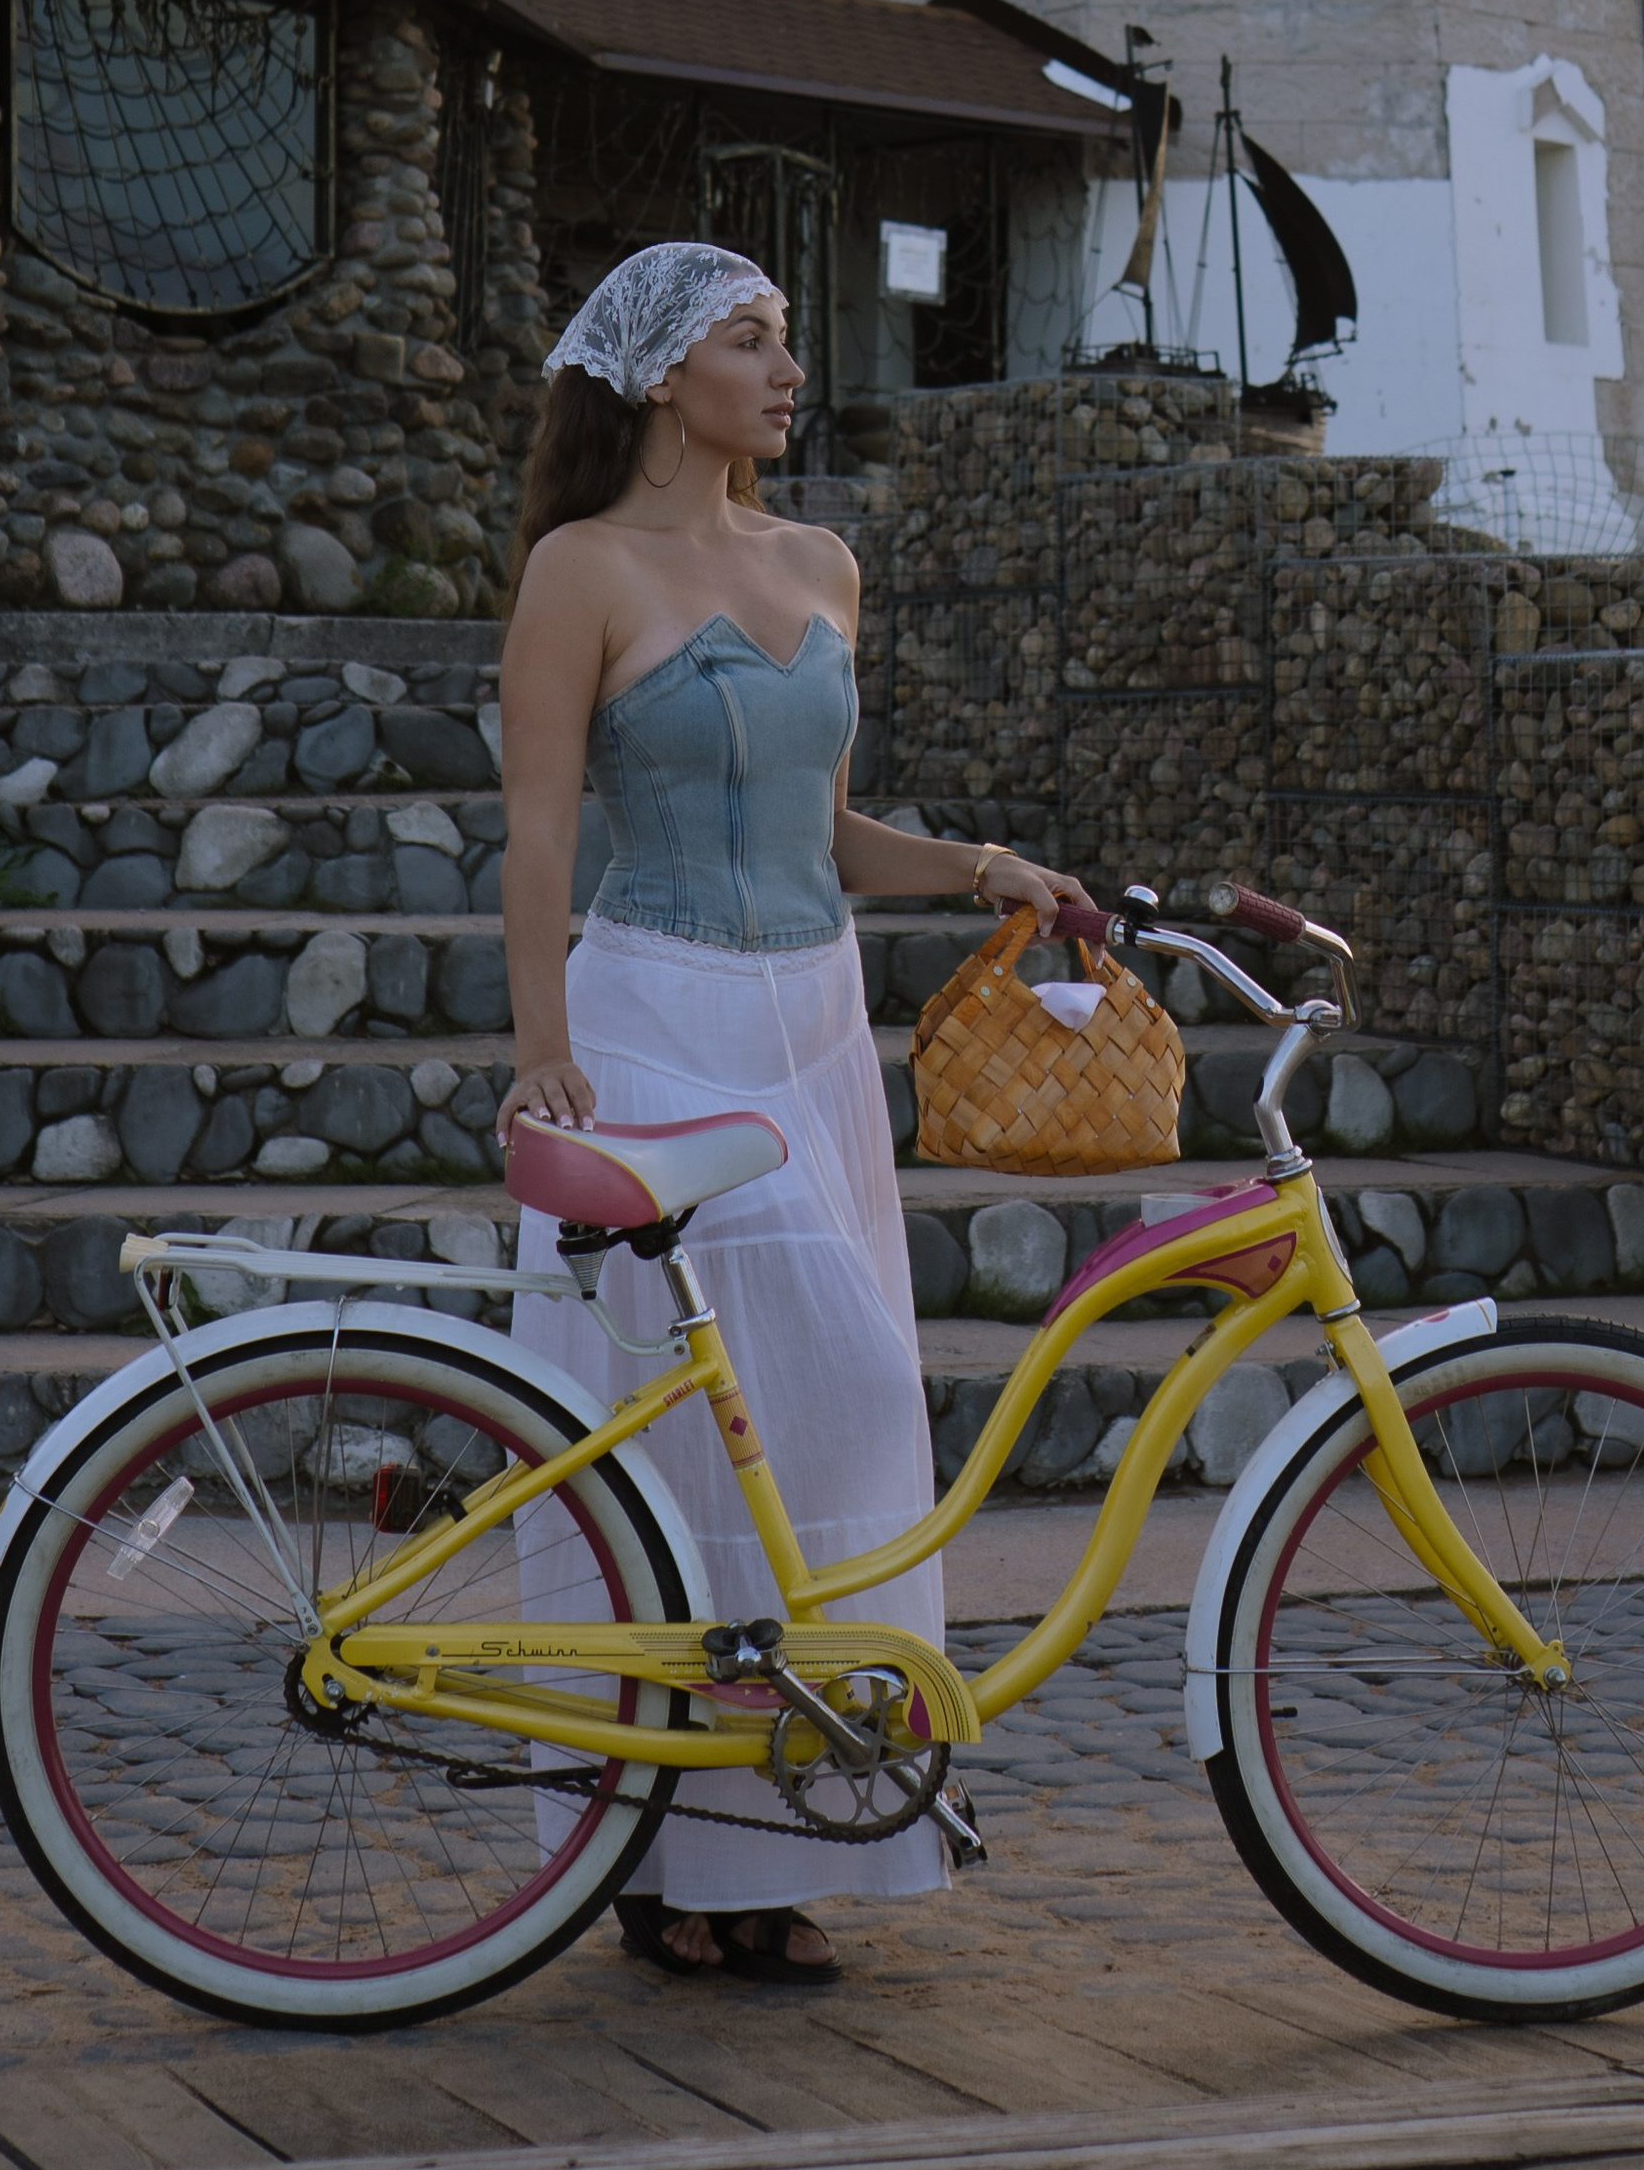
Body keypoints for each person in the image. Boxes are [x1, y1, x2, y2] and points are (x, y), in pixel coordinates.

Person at [496, 240, 1078, 1986]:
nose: (785, 364)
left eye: (786, 337)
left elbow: (836, 835)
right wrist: (541, 1047)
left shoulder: (822, 560)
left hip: (816, 1025)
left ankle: (782, 1828)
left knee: (831, 1414)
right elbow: (534, 833)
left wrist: (985, 869)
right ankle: (654, 1852)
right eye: (749, 340)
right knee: (671, 1433)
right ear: (665, 375)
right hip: (649, 1021)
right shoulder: (578, 570)